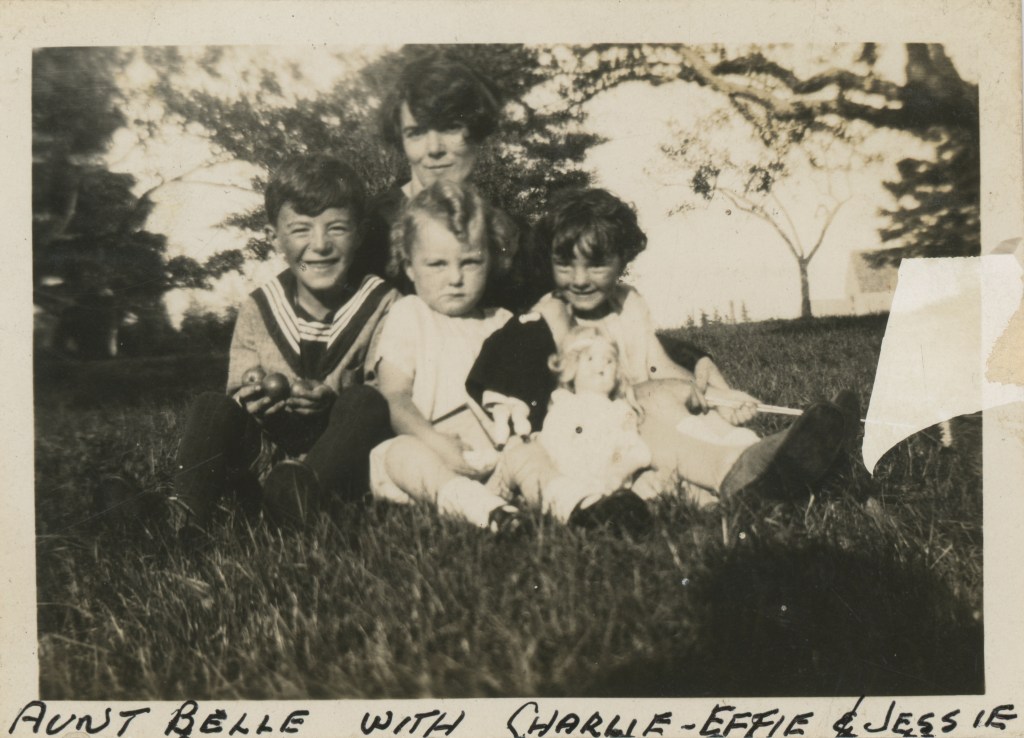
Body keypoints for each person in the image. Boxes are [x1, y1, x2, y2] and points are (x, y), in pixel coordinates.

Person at [468, 187, 856, 507]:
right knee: (649, 406)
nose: (580, 279)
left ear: (623, 259)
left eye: (596, 265)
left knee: (692, 411)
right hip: (592, 436)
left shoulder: (628, 303)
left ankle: (770, 461)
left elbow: (661, 366)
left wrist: (717, 396)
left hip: (642, 421)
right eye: (565, 265)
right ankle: (731, 469)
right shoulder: (554, 315)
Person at [172, 154, 399, 533]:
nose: (320, 245)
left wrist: (335, 399)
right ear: (274, 235)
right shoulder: (259, 306)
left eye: (337, 228)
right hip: (265, 457)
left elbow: (386, 397)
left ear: (359, 233)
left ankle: (298, 503)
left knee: (366, 402)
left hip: (339, 463)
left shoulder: (382, 304)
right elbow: (238, 391)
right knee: (211, 407)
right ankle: (184, 516)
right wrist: (252, 401)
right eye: (300, 230)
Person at [366, 180, 525, 534]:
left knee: (534, 450)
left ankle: (568, 499)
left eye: (470, 262)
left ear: (491, 259)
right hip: (433, 450)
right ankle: (467, 501)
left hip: (499, 454)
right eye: (437, 264)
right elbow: (394, 395)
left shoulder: (502, 322)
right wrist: (434, 442)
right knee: (397, 453)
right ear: (410, 267)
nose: (455, 278)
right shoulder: (410, 314)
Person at [359, 50, 537, 312]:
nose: (434, 149)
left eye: (450, 127)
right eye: (416, 132)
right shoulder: (370, 227)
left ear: (477, 131)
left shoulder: (514, 236)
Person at [487, 327, 654, 527]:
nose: (600, 366)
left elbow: (637, 451)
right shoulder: (564, 404)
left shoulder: (620, 411)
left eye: (609, 361)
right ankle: (496, 499)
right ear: (571, 367)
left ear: (617, 373)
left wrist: (618, 473)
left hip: (608, 485)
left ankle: (608, 513)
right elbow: (551, 444)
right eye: (590, 358)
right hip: (563, 480)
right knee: (520, 452)